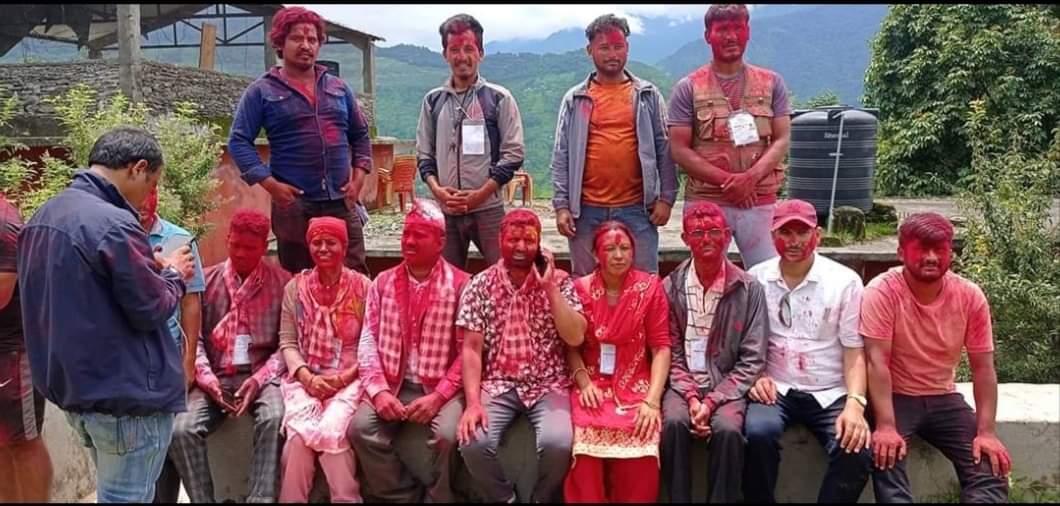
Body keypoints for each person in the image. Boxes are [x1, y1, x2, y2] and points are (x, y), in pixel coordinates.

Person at [16, 127, 195, 502]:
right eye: (152, 183)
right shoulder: (114, 223)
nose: (148, 195)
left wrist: (147, 266)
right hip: (125, 399)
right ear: (138, 168)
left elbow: (88, 292)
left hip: (77, 391)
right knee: (125, 497)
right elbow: (151, 308)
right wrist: (175, 276)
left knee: (112, 493)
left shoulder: (45, 215)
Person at [861, 212, 1010, 503]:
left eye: (939, 250)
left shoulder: (969, 296)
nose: (931, 257)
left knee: (989, 466)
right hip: (895, 396)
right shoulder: (882, 291)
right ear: (901, 252)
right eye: (921, 249)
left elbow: (983, 367)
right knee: (886, 455)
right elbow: (876, 361)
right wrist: (886, 426)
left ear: (950, 252)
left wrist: (986, 431)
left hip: (944, 397)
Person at [743, 199, 872, 502]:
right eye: (785, 232)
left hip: (830, 389)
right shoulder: (756, 278)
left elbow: (854, 350)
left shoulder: (844, 282)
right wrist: (755, 377)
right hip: (775, 387)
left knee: (856, 449)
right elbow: (746, 341)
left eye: (802, 232)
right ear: (772, 236)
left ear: (818, 235)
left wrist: (855, 403)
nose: (794, 241)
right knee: (757, 434)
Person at [229, 6, 373, 276]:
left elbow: (360, 135)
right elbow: (238, 141)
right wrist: (271, 185)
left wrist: (358, 180)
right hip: (294, 205)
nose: (306, 45)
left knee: (353, 274)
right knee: (299, 278)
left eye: (312, 39)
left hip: (340, 201)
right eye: (297, 38)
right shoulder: (262, 91)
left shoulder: (338, 88)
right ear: (280, 43)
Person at [456, 209, 587, 503]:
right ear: (499, 240)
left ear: (539, 244)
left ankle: (541, 498)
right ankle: (505, 498)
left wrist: (549, 287)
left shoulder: (560, 281)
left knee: (558, 444)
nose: (520, 247)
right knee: (473, 442)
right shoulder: (481, 285)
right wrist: (473, 403)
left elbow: (576, 337)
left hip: (549, 382)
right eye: (513, 239)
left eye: (529, 240)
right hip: (499, 382)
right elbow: (471, 349)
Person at [167, 209, 291, 503]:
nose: (241, 253)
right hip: (214, 374)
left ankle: (260, 499)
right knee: (181, 429)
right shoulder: (205, 282)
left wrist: (258, 380)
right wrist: (208, 380)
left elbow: (286, 346)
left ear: (264, 246)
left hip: (262, 376)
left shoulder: (283, 283)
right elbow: (193, 339)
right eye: (236, 245)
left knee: (275, 417)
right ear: (227, 240)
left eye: (250, 247)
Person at [351, 199, 470, 502]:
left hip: (441, 388)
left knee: (447, 436)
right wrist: (379, 392)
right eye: (406, 234)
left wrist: (439, 396)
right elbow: (367, 341)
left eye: (419, 234)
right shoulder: (382, 282)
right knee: (360, 429)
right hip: (393, 383)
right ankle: (403, 495)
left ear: (440, 241)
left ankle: (439, 498)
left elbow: (467, 354)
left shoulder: (461, 285)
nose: (409, 241)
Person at [550, 14, 677, 277]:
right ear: (589, 50)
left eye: (618, 47)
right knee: (585, 283)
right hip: (585, 210)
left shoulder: (647, 95)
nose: (612, 54)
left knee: (644, 282)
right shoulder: (576, 98)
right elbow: (562, 155)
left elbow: (664, 149)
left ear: (627, 48)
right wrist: (562, 207)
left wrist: (666, 199)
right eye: (604, 47)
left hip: (638, 208)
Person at [667, 4, 792, 269]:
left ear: (748, 32)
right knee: (707, 276)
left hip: (760, 199)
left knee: (767, 275)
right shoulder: (688, 88)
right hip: (706, 202)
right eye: (722, 29)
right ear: (707, 35)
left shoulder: (772, 83)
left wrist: (750, 178)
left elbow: (781, 139)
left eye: (737, 28)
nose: (731, 36)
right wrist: (731, 183)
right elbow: (679, 149)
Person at [660, 200, 768, 503]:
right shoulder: (670, 287)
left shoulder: (748, 289)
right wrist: (692, 397)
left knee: (729, 429)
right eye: (697, 233)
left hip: (727, 383)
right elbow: (670, 350)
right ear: (685, 239)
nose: (706, 239)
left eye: (714, 232)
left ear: (728, 235)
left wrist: (711, 401)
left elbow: (752, 359)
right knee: (673, 423)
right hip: (683, 384)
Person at [562, 221, 671, 503]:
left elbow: (661, 347)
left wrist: (652, 401)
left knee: (642, 457)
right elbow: (571, 347)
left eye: (625, 248)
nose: (619, 255)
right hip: (592, 385)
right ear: (596, 254)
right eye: (610, 248)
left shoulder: (650, 288)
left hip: (637, 387)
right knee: (585, 459)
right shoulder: (580, 288)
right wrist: (584, 383)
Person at [417, 13, 525, 270]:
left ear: (481, 53)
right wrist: (439, 192)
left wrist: (480, 195)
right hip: (447, 210)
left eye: (469, 49)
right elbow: (424, 155)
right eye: (454, 49)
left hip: (488, 208)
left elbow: (513, 154)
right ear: (445, 54)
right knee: (446, 280)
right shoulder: (433, 101)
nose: (461, 56)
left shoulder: (498, 98)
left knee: (504, 273)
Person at [277, 217, 371, 502]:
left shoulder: (364, 288)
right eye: (316, 243)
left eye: (331, 242)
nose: (323, 249)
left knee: (332, 435)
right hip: (305, 380)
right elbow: (288, 342)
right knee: (297, 441)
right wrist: (307, 377)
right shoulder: (295, 288)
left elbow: (372, 345)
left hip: (351, 380)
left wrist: (342, 379)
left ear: (344, 246)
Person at [137, 187, 208, 504]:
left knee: (168, 438)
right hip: (131, 361)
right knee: (141, 449)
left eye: (149, 195)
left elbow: (191, 303)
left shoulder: (178, 239)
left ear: (156, 194)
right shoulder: (117, 238)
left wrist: (188, 361)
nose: (143, 203)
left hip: (167, 358)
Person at [0, 195, 52, 502]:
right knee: (2, 442)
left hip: (13, 355)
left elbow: (1, 294)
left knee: (24, 442)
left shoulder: (4, 222)